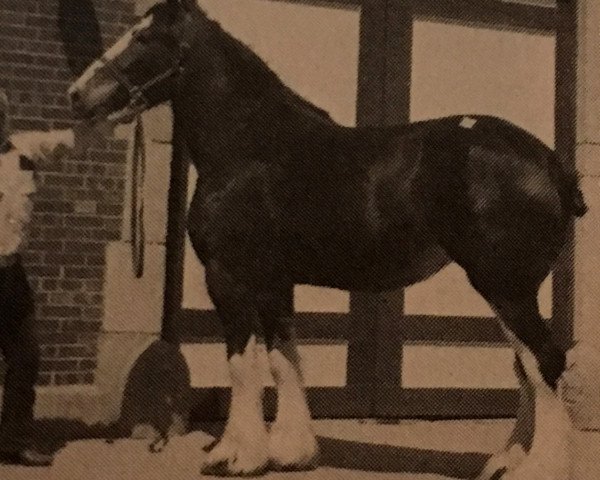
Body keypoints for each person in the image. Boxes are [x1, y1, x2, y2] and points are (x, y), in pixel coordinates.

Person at [0, 90, 78, 466]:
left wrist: (111, 117)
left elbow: (71, 140)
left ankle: (12, 441)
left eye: (0, 113)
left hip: (10, 275)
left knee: (25, 356)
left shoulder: (23, 150)